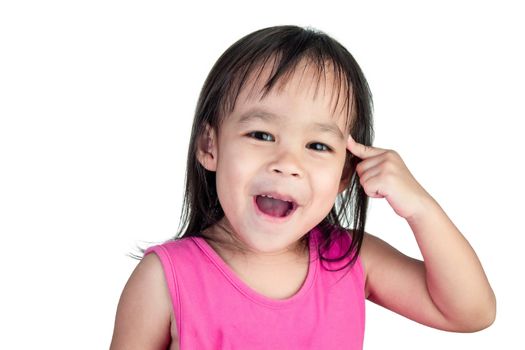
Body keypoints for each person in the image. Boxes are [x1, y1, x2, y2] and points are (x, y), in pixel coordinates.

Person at [109, 25, 496, 349]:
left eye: (317, 145)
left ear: (346, 174)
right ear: (210, 146)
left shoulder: (351, 260)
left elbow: (470, 312)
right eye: (261, 134)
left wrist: (420, 208)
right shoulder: (165, 276)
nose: (287, 164)